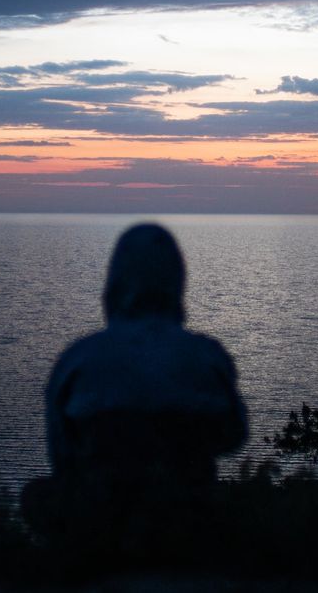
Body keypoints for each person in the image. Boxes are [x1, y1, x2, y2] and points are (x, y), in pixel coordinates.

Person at [22, 223, 247, 559]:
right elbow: (234, 436)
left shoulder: (77, 360)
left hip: (100, 522)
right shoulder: (207, 356)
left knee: (36, 496)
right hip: (191, 518)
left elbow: (62, 454)